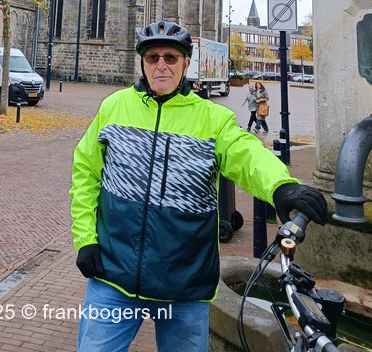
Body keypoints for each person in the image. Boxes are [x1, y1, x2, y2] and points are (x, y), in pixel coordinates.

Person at [70, 20, 327, 352]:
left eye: (171, 58)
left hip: (185, 283)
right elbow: (85, 174)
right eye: (152, 58)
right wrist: (86, 241)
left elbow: (246, 154)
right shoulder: (114, 107)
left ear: (186, 64)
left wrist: (281, 187)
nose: (161, 65)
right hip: (113, 275)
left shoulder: (212, 118)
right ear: (143, 62)